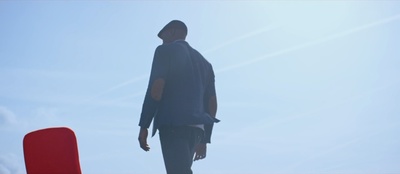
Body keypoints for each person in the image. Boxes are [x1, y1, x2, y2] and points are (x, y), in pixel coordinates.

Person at [138, 20, 219, 174]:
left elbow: (156, 89)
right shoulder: (206, 64)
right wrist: (205, 138)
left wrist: (144, 125)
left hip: (173, 124)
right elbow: (212, 103)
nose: (162, 42)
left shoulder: (164, 51)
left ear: (172, 32)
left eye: (163, 37)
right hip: (197, 130)